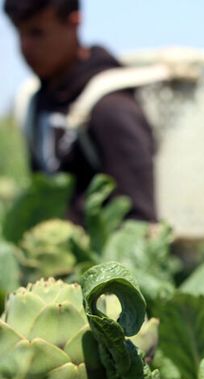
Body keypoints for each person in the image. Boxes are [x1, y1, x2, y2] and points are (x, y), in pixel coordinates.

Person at [5, 0, 157, 224]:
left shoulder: (110, 108)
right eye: (19, 33)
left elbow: (139, 225)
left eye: (37, 32)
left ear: (74, 21)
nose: (25, 47)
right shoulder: (35, 103)